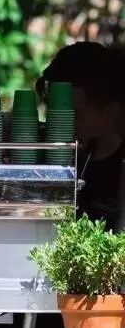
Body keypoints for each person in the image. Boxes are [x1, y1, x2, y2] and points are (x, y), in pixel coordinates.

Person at [36, 41, 125, 230]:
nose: (62, 125)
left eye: (75, 114)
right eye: (55, 114)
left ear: (110, 105)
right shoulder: (51, 156)